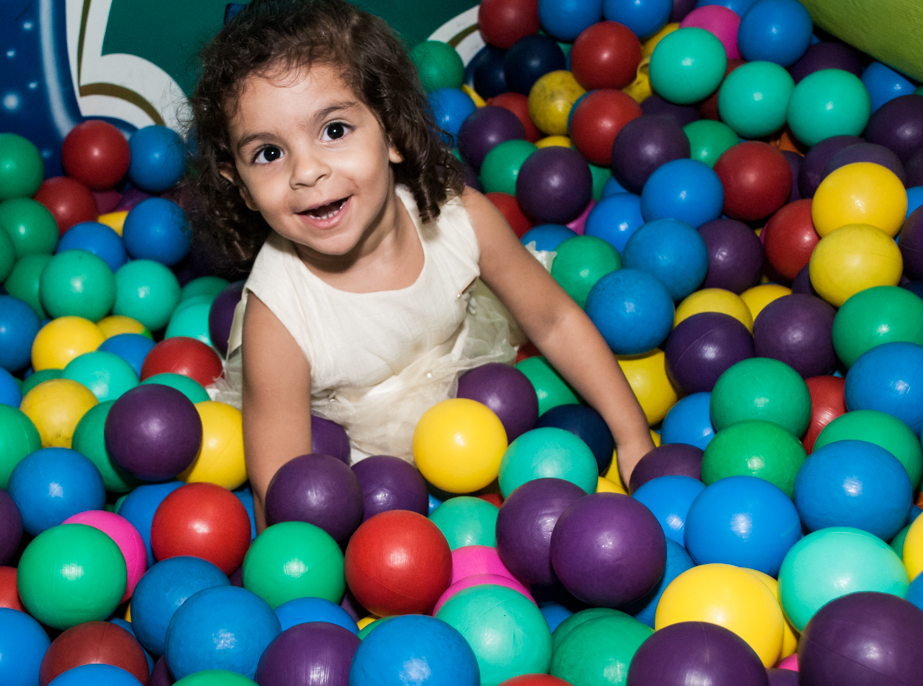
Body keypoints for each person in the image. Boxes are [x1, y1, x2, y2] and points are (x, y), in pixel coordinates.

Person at [190, 0, 654, 527]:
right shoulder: (279, 319)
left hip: (478, 392)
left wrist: (633, 437)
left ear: (389, 131)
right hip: (366, 465)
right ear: (242, 187)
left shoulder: (460, 221)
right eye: (268, 154)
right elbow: (284, 490)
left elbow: (555, 320)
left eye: (334, 130)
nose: (307, 171)